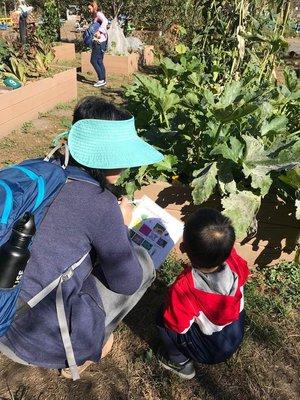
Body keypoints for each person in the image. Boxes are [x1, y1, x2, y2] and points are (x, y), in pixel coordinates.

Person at [0, 96, 163, 379]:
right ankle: (84, 348)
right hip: (36, 340)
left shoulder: (44, 170)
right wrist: (121, 226)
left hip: (5, 309)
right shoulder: (100, 204)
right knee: (141, 263)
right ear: (107, 158)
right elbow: (126, 282)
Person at [157, 208, 249, 379]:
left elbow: (179, 326)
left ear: (183, 248)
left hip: (209, 351)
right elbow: (244, 275)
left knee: (162, 318)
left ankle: (180, 362)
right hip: (234, 332)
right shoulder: (233, 260)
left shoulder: (184, 288)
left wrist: (170, 303)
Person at [87, 1, 108, 87]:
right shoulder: (96, 16)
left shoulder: (99, 14)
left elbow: (106, 21)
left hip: (99, 42)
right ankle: (102, 79)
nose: (88, 10)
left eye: (89, 8)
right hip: (100, 41)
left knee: (93, 60)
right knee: (99, 61)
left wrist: (99, 31)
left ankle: (101, 79)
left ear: (94, 7)